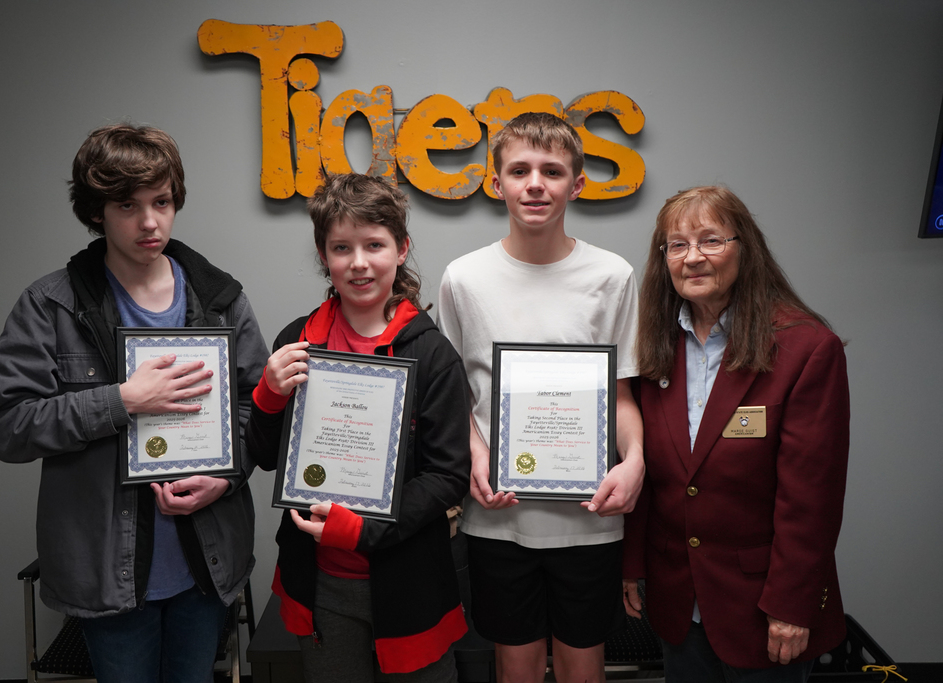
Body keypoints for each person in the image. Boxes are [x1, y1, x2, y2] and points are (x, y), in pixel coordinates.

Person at [0, 123, 268, 683]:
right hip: (107, 571)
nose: (150, 222)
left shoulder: (220, 298)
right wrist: (121, 400)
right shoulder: (50, 305)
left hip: (206, 559)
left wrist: (226, 476)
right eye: (128, 206)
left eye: (161, 201)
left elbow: (256, 409)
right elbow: (6, 425)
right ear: (98, 212)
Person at [437, 112, 645, 683]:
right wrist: (476, 454)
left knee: (584, 665)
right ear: (495, 182)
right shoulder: (463, 278)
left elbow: (622, 392)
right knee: (516, 666)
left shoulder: (613, 275)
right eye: (519, 170)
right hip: (499, 514)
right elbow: (456, 394)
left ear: (577, 184)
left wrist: (635, 461)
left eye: (552, 171)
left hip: (589, 515)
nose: (535, 184)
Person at [245, 173, 470, 682]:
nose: (359, 262)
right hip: (322, 581)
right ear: (324, 255)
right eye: (342, 248)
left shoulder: (432, 354)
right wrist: (269, 394)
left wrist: (364, 529)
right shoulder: (298, 343)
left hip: (409, 579)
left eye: (374, 245)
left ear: (401, 248)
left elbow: (449, 476)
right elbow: (264, 456)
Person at [623, 185, 849, 682]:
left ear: (745, 247)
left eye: (711, 240)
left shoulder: (806, 348)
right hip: (677, 597)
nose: (693, 257)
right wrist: (632, 564)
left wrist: (791, 604)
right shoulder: (654, 347)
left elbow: (811, 499)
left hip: (765, 607)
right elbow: (648, 471)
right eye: (677, 245)